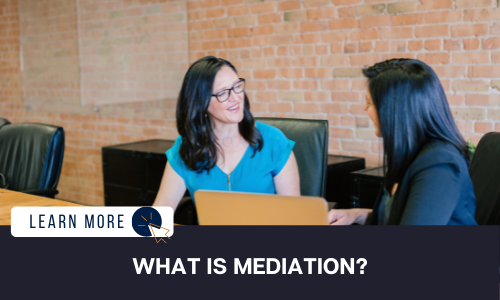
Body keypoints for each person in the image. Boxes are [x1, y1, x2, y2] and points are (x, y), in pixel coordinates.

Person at [329, 59, 477, 225]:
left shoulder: (439, 164)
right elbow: (398, 216)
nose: (365, 108)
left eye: (370, 102)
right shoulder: (410, 153)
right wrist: (357, 214)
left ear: (395, 109)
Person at [153, 56, 300, 210]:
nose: (235, 97)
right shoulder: (186, 147)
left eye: (237, 86)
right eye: (223, 92)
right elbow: (161, 210)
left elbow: (293, 213)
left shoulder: (273, 141)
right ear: (201, 103)